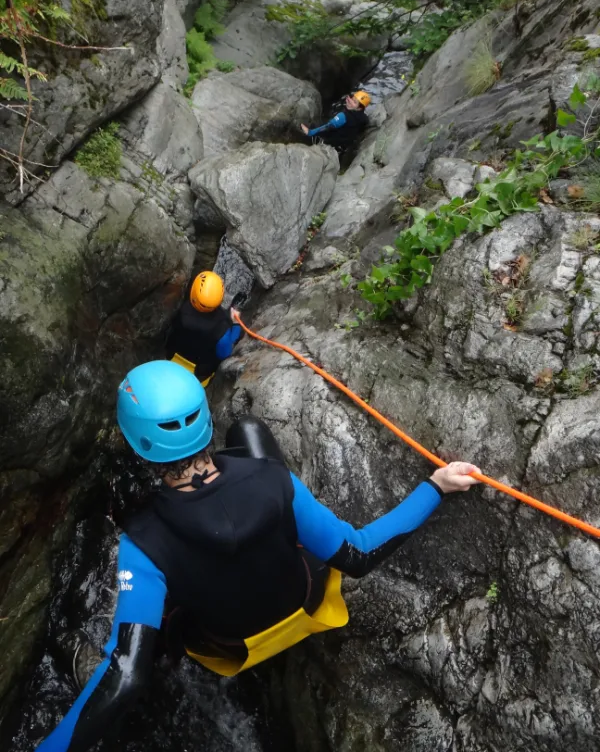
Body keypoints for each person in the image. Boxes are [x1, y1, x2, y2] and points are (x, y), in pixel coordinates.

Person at [36, 360, 480, 751]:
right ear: (204, 421)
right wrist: (435, 486)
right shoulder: (275, 481)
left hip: (227, 643)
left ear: (138, 444)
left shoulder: (141, 543)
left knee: (154, 614)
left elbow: (127, 675)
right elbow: (358, 554)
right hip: (303, 605)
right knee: (248, 432)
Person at [165, 270, 241, 387]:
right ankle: (234, 306)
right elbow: (225, 354)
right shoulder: (222, 328)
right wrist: (236, 324)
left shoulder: (182, 309)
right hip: (198, 376)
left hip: (171, 361)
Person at [300, 90, 370, 150]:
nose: (350, 102)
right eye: (352, 99)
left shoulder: (343, 116)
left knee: (315, 125)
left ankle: (312, 142)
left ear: (359, 108)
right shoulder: (364, 118)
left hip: (333, 142)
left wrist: (310, 132)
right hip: (347, 143)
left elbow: (327, 128)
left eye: (354, 102)